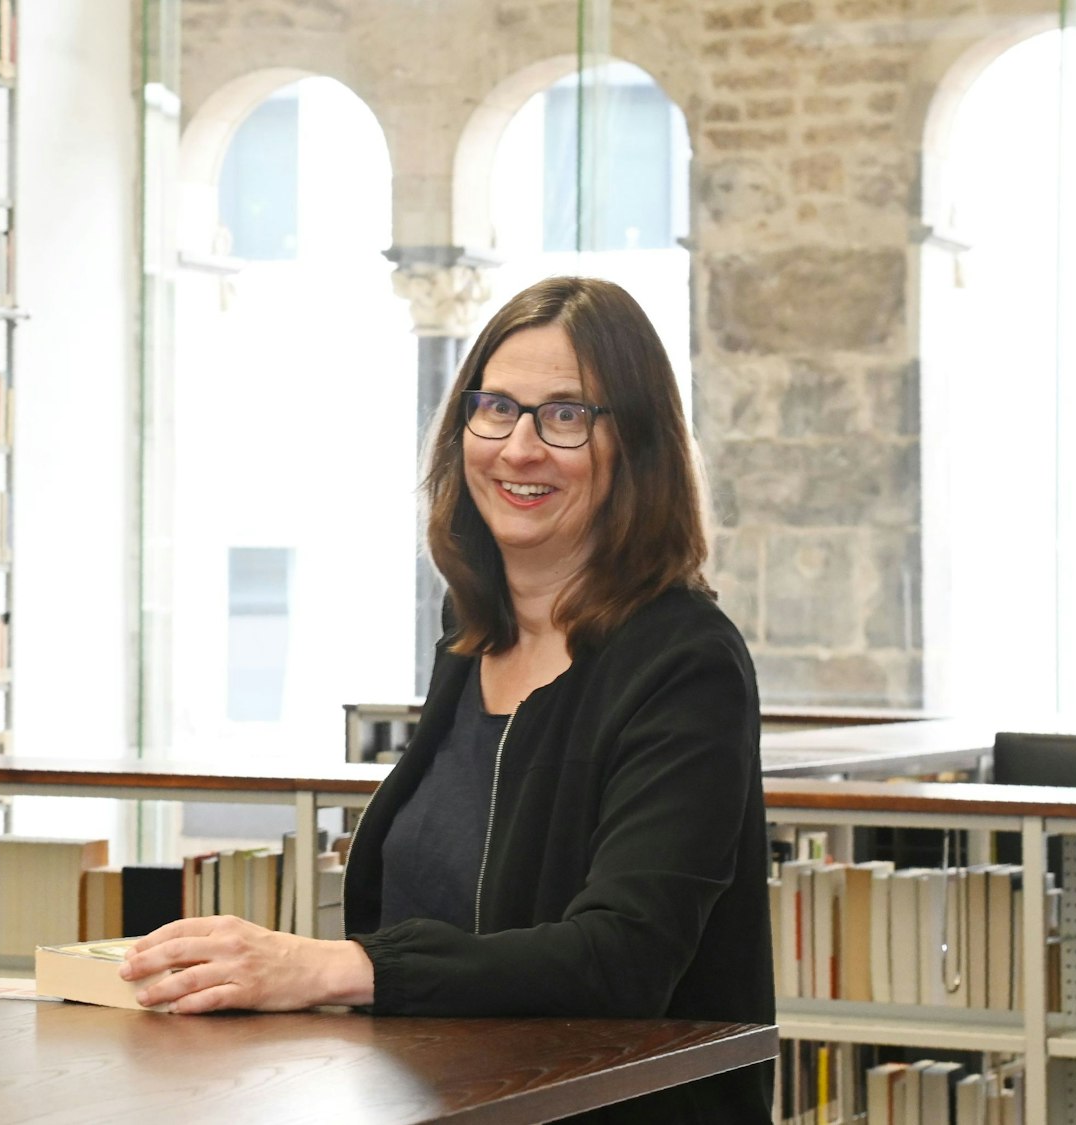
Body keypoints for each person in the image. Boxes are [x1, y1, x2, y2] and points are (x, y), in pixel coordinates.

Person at [121, 277, 773, 1123]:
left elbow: (622, 957)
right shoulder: (472, 631)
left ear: (636, 445)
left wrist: (337, 967)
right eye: (496, 407)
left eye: (566, 415)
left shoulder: (686, 662)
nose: (520, 447)